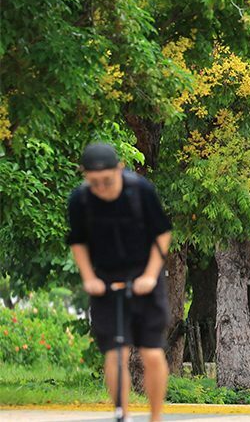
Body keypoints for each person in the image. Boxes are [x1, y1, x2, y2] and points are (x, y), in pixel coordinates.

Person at [67, 142, 172, 422]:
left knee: (150, 352)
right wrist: (89, 278)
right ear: (84, 176)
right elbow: (77, 242)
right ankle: (122, 415)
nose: (100, 187)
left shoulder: (140, 191)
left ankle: (156, 416)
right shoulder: (80, 200)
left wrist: (150, 275)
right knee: (115, 353)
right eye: (93, 182)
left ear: (119, 169)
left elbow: (162, 234)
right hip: (105, 280)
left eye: (107, 181)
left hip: (144, 277)